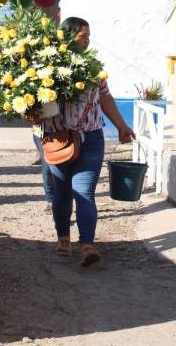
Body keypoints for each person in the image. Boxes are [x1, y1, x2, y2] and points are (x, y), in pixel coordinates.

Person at [30, 16, 134, 266]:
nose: (87, 42)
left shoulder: (94, 68)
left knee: (84, 191)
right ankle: (63, 238)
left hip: (91, 139)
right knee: (63, 192)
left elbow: (106, 98)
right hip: (59, 140)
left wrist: (121, 125)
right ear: (66, 38)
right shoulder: (46, 68)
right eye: (82, 37)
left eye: (89, 37)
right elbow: (32, 105)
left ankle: (87, 243)